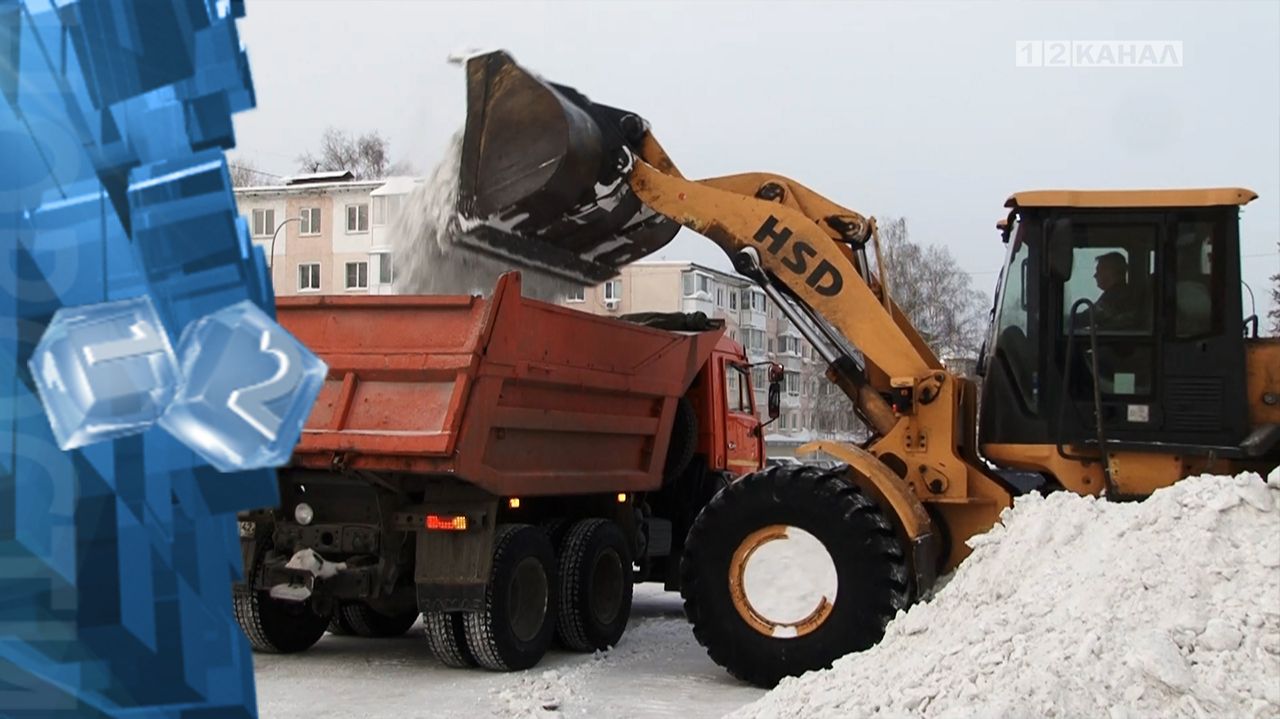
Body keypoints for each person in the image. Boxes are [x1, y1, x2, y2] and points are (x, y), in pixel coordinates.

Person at [1090, 252, 1143, 329]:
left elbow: (1089, 316)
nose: (1095, 275)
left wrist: (1069, 320)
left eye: (1099, 270)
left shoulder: (1116, 296)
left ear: (1109, 272)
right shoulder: (1120, 292)